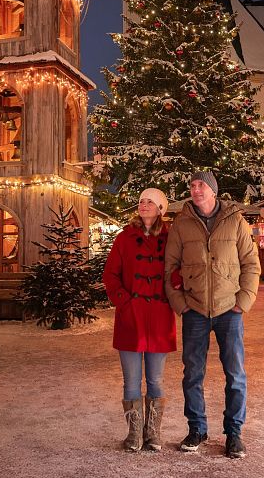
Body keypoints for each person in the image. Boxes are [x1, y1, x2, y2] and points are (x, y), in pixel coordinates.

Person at [165, 171, 260, 459]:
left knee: (235, 374)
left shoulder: (235, 221)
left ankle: (234, 433)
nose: (196, 190)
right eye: (192, 186)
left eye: (201, 185)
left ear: (213, 191)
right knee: (192, 374)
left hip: (228, 310)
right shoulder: (181, 224)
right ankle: (197, 428)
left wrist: (243, 301)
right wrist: (180, 304)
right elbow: (170, 269)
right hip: (194, 309)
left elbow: (251, 264)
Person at [102, 188, 176, 452]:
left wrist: (173, 292)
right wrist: (124, 300)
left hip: (159, 317)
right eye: (142, 201)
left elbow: (178, 269)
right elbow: (110, 274)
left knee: (156, 380)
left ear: (160, 209)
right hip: (130, 317)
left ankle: (152, 433)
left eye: (151, 202)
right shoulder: (124, 239)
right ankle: (134, 434)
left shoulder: (171, 238)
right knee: (131, 381)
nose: (144, 205)